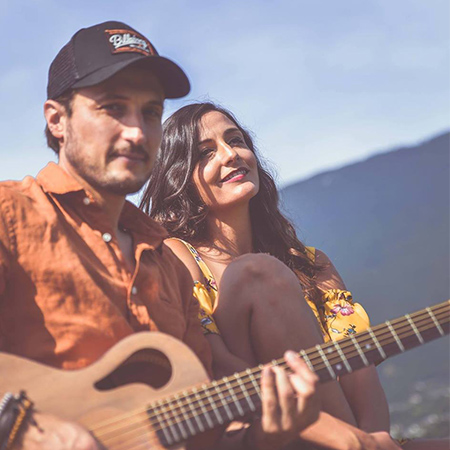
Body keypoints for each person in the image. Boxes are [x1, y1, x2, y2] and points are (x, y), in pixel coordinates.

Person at [0, 22, 321, 450]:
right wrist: (24, 427)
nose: (136, 131)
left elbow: (206, 437)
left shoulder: (169, 268)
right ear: (57, 120)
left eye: (150, 112)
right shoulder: (11, 216)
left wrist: (269, 434)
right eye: (113, 108)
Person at [141, 102, 446, 450]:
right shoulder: (177, 256)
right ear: (180, 176)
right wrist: (346, 439)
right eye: (206, 153)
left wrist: (375, 436)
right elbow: (220, 367)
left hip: (357, 438)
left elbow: (357, 358)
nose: (230, 155)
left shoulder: (311, 263)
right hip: (268, 433)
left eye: (236, 140)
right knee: (257, 272)